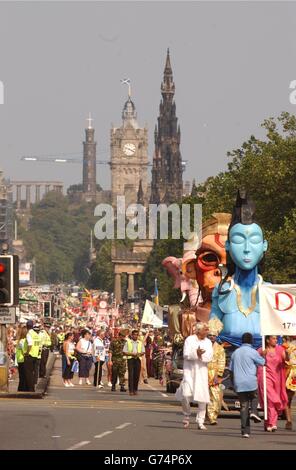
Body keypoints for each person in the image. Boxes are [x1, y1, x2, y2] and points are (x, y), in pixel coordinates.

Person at [175, 322, 213, 430]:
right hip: (189, 372)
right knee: (186, 394)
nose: (207, 331)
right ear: (199, 330)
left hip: (201, 373)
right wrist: (196, 353)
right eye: (205, 329)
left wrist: (201, 355)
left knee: (202, 398)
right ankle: (186, 414)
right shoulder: (190, 340)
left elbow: (210, 356)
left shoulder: (208, 342)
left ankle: (200, 421)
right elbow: (186, 354)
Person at [229, 332, 265, 438]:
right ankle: (254, 411)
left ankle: (245, 431)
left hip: (239, 383)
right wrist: (263, 355)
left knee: (243, 407)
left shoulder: (235, 352)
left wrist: (233, 383)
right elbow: (263, 362)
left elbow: (230, 370)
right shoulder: (253, 352)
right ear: (252, 341)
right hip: (250, 382)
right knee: (255, 396)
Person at [258, 335, 288, 432]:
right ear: (267, 340)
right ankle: (272, 422)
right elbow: (255, 362)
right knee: (272, 399)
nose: (276, 340)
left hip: (277, 378)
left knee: (270, 402)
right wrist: (262, 355)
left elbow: (286, 359)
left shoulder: (280, 349)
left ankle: (269, 423)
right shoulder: (261, 349)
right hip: (265, 377)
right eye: (273, 338)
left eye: (276, 338)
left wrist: (287, 353)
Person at [206, 317, 226, 425]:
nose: (212, 337)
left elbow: (222, 362)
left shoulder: (220, 348)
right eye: (210, 335)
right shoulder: (203, 346)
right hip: (204, 373)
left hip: (214, 374)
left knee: (216, 396)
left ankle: (213, 414)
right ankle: (209, 416)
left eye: (213, 335)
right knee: (204, 396)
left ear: (217, 336)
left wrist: (218, 375)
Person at [123, 330, 145, 396]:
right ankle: (131, 390)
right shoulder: (128, 342)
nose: (135, 336)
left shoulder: (140, 343)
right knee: (131, 375)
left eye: (136, 335)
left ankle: (135, 389)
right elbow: (124, 352)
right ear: (132, 335)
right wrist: (131, 353)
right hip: (131, 359)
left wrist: (139, 354)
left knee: (136, 375)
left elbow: (143, 352)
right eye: (134, 335)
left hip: (137, 359)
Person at [23, 320, 42, 392]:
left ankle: (30, 389)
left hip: (30, 355)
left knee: (28, 373)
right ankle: (32, 388)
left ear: (27, 326)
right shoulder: (36, 334)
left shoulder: (29, 334)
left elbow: (30, 344)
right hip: (35, 355)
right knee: (32, 372)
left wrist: (27, 352)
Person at [282, 336, 296, 430]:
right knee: (288, 398)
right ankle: (289, 420)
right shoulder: (284, 346)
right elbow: (284, 360)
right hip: (290, 372)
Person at [15, 326, 27, 392]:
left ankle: (21, 389)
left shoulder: (20, 340)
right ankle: (21, 389)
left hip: (20, 360)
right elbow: (24, 351)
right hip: (22, 360)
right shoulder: (23, 341)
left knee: (21, 376)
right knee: (23, 376)